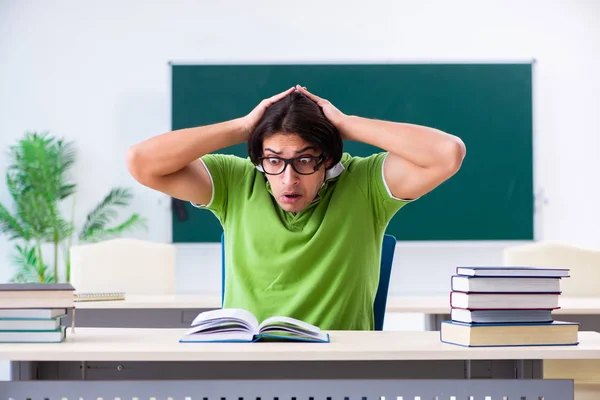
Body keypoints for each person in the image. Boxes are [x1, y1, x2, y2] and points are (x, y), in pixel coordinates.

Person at [126, 85, 466, 330]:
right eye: (274, 160)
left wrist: (347, 124)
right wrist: (243, 128)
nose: (288, 179)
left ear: (328, 160)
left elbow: (447, 153)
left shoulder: (364, 184)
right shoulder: (235, 181)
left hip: (341, 366)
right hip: (248, 364)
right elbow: (142, 163)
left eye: (304, 160)